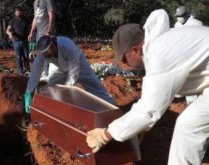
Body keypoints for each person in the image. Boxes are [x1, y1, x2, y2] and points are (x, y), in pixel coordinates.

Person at [86, 9, 209, 164]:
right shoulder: (162, 44)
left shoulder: (159, 55)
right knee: (189, 124)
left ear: (135, 50)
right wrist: (142, 127)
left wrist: (106, 135)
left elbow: (148, 110)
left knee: (189, 126)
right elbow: (160, 99)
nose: (124, 65)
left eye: (124, 59)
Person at [24, 35, 115, 113]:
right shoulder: (43, 54)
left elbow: (73, 74)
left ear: (53, 46)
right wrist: (29, 91)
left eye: (46, 52)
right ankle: (58, 108)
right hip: (58, 66)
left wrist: (67, 89)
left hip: (79, 64)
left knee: (94, 84)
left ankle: (111, 107)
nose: (44, 55)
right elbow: (35, 73)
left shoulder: (67, 47)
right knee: (52, 86)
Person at [28, 0, 56, 80]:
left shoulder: (47, 1)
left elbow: (51, 15)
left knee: (48, 53)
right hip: (39, 33)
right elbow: (35, 18)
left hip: (47, 32)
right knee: (40, 54)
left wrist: (49, 31)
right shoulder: (35, 2)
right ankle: (44, 73)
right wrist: (32, 31)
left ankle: (49, 74)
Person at [6, 7, 30, 75]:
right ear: (15, 13)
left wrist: (31, 35)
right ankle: (20, 72)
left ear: (22, 12)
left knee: (26, 56)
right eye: (17, 13)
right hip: (16, 41)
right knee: (18, 57)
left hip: (25, 41)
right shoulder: (12, 20)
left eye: (19, 13)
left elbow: (30, 28)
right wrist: (10, 34)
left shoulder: (26, 20)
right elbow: (7, 30)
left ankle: (27, 71)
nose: (18, 14)